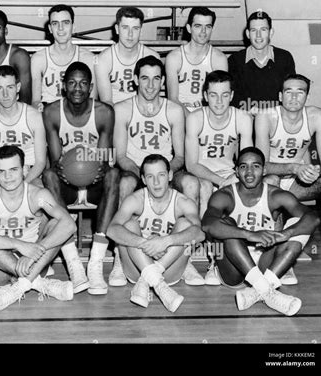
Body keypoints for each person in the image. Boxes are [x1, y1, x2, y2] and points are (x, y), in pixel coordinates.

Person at [114, 55, 205, 285]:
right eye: (145, 78)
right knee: (124, 183)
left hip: (166, 171)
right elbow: (120, 155)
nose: (150, 85)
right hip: (136, 171)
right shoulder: (122, 109)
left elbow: (181, 156)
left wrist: (164, 173)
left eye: (156, 79)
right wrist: (143, 175)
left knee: (193, 183)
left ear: (163, 81)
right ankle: (119, 256)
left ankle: (187, 259)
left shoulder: (174, 110)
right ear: (135, 79)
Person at [201, 147, 320, 316]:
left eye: (255, 166)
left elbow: (313, 218)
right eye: (243, 167)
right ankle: (267, 290)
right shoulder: (225, 195)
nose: (249, 172)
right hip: (233, 267)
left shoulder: (276, 195)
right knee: (227, 226)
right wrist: (249, 234)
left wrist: (285, 234)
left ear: (264, 170)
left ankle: (259, 291)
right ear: (236, 171)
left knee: (298, 225)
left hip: (265, 263)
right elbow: (207, 224)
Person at [42, 61, 122, 295]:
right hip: (66, 182)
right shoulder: (52, 112)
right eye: (72, 83)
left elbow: (106, 158)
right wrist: (70, 169)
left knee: (115, 174)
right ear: (63, 86)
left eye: (83, 83)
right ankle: (73, 262)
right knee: (48, 175)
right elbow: (56, 162)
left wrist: (100, 169)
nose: (77, 88)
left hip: (95, 180)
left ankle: (95, 263)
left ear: (91, 87)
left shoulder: (104, 112)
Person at [0, 145, 76, 311]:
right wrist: (19, 245)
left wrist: (34, 252)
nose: (8, 176)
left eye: (13, 169)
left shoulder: (38, 196)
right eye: (2, 171)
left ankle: (19, 287)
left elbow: (69, 224)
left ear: (24, 170)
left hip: (35, 259)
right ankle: (37, 283)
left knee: (57, 224)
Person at [255, 74, 321, 283]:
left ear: (307, 96)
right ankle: (280, 258)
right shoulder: (266, 117)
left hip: (299, 183)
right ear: (280, 96)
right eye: (289, 91)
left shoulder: (317, 116)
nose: (294, 97)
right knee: (273, 181)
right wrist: (294, 167)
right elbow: (259, 167)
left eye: (300, 92)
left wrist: (317, 171)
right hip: (271, 180)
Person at [107, 154, 205, 312]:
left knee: (186, 224)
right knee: (129, 224)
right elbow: (112, 230)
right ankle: (159, 286)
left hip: (168, 267)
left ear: (170, 175)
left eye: (161, 175)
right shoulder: (135, 199)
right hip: (136, 266)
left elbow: (199, 234)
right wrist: (146, 244)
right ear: (144, 180)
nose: (157, 182)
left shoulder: (183, 202)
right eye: (150, 177)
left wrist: (166, 241)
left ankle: (147, 281)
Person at [185, 70, 253, 284]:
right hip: (201, 173)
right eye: (213, 95)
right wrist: (220, 181)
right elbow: (191, 164)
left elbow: (247, 161)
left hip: (229, 174)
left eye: (224, 95)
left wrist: (233, 178)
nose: (219, 101)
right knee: (205, 187)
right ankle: (209, 257)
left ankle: (234, 255)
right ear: (205, 95)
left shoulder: (242, 118)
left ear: (232, 95)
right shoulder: (195, 118)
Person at [0, 65, 47, 193]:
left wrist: (23, 183)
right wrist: (3, 182)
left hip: (28, 172)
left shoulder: (35, 116)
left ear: (18, 87)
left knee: (39, 192)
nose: (5, 94)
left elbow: (40, 162)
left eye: (10, 87)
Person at [31, 4, 97, 108]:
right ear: (50, 28)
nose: (60, 28)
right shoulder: (38, 59)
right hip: (49, 113)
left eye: (65, 23)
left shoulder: (88, 58)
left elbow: (93, 101)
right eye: (55, 23)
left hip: (77, 114)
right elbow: (35, 102)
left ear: (73, 26)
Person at [228, 10, 295, 112]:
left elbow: (290, 92)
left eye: (263, 30)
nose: (258, 35)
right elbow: (231, 96)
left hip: (276, 119)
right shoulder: (235, 60)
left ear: (271, 32)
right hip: (246, 119)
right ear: (248, 34)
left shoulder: (284, 58)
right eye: (254, 30)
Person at [165, 7, 228, 114]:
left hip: (208, 115)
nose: (203, 32)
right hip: (180, 115)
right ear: (189, 28)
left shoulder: (219, 59)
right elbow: (173, 99)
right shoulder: (174, 57)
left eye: (208, 27)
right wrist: (193, 120)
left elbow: (221, 98)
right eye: (198, 26)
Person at [95, 6, 159, 106]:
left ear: (141, 31)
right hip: (115, 114)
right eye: (125, 28)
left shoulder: (152, 56)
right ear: (117, 29)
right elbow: (107, 102)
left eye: (135, 28)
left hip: (143, 112)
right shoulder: (104, 59)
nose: (130, 34)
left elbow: (153, 99)